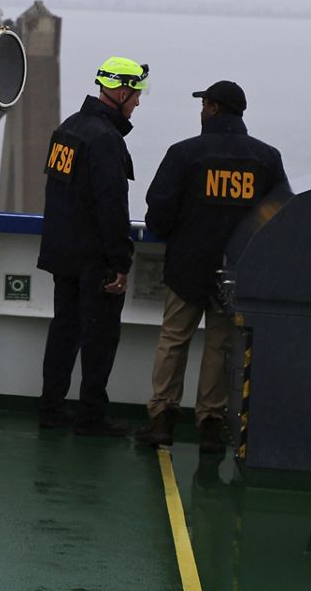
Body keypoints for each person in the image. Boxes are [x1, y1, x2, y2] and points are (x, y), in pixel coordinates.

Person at [133, 80, 287, 452]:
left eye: (204, 104)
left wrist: (174, 233)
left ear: (215, 109)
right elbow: (280, 214)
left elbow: (159, 210)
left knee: (173, 340)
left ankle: (162, 420)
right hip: (236, 271)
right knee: (220, 346)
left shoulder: (185, 153)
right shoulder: (266, 158)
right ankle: (210, 427)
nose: (201, 110)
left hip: (187, 265)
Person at [37, 56, 147, 435]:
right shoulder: (105, 140)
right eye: (135, 95)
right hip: (93, 258)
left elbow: (58, 194)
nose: (137, 103)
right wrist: (120, 262)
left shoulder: (69, 128)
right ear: (119, 91)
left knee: (64, 332)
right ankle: (91, 417)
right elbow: (111, 206)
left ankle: (50, 409)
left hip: (62, 252)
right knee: (99, 338)